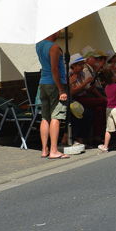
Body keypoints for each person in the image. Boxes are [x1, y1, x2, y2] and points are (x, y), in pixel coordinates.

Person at [35, 31, 69, 159]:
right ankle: (54, 150)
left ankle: (44, 150)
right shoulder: (53, 47)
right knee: (56, 116)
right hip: (54, 84)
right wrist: (61, 89)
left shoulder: (38, 45)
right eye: (58, 30)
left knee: (45, 117)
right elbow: (54, 69)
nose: (59, 32)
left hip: (42, 83)